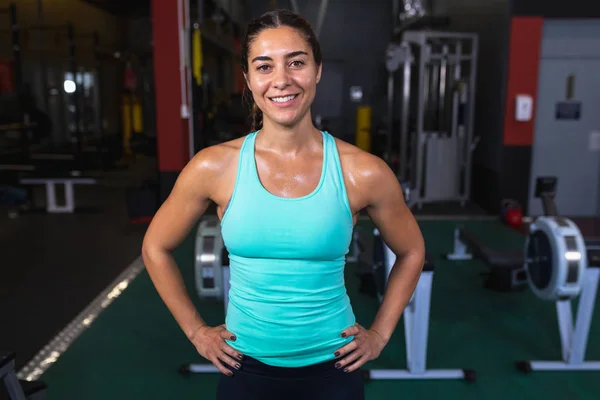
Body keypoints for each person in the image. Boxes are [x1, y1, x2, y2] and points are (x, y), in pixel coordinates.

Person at [142, 9, 425, 400]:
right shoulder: (214, 167)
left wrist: (379, 334)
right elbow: (155, 247)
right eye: (264, 66)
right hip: (244, 369)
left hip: (334, 368)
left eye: (296, 62)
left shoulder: (362, 172)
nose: (281, 80)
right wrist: (196, 332)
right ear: (248, 79)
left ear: (317, 70)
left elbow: (412, 250)